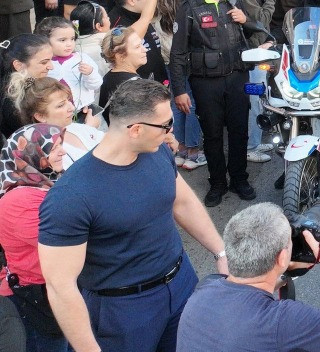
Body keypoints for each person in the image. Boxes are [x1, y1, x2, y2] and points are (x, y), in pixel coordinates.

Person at [38, 79, 229, 352]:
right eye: (165, 125)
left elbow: (183, 202)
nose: (171, 132)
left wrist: (220, 252)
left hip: (182, 283)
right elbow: (60, 286)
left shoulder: (158, 151)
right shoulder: (70, 196)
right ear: (136, 129)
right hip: (122, 311)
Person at [175, 203, 320, 352]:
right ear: (282, 257)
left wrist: (284, 270)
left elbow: (248, 289)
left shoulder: (204, 290)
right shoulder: (282, 322)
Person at [170, 0, 257, 207]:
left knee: (240, 131)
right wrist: (179, 91)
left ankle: (240, 178)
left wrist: (246, 20)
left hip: (237, 78)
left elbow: (259, 33)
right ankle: (217, 182)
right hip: (205, 83)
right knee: (213, 134)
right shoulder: (188, 7)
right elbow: (177, 54)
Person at [0, 123, 68, 352]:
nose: (63, 151)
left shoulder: (49, 182)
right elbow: (63, 240)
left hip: (55, 290)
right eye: (54, 147)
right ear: (33, 153)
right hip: (34, 297)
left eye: (61, 144)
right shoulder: (16, 200)